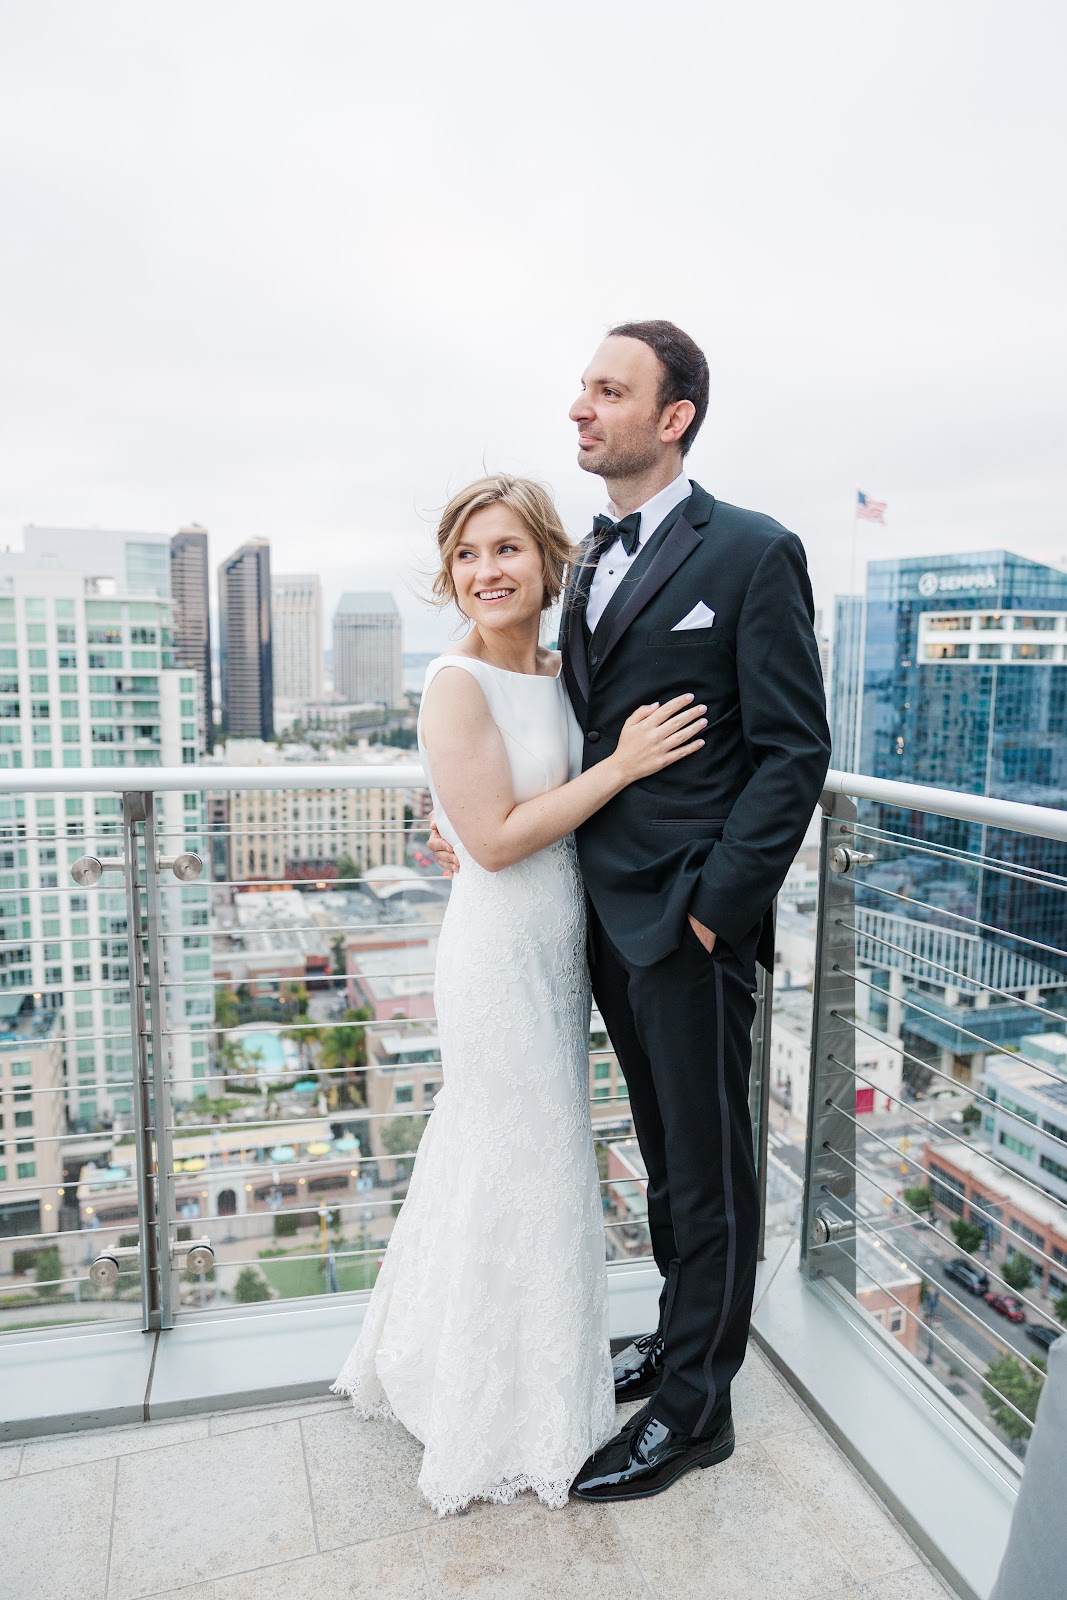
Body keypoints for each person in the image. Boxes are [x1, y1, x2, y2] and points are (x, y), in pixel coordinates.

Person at [431, 321, 831, 1501]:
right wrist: (466, 811)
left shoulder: (752, 550)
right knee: (662, 1156)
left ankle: (697, 1409)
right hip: (593, 919)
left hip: (689, 919)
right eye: (581, 389)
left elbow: (792, 750)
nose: (580, 407)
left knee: (708, 1168)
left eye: (608, 390)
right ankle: (674, 1333)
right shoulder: (590, 556)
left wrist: (717, 907)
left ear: (673, 416)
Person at [332, 472, 708, 1517]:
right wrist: (620, 765)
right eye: (465, 555)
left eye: (504, 549)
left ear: (548, 562)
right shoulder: (453, 682)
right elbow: (494, 841)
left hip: (562, 949)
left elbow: (522, 802)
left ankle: (493, 1363)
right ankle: (494, 1408)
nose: (484, 571)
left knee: (522, 1157)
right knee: (522, 1153)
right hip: (498, 955)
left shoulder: (558, 670)